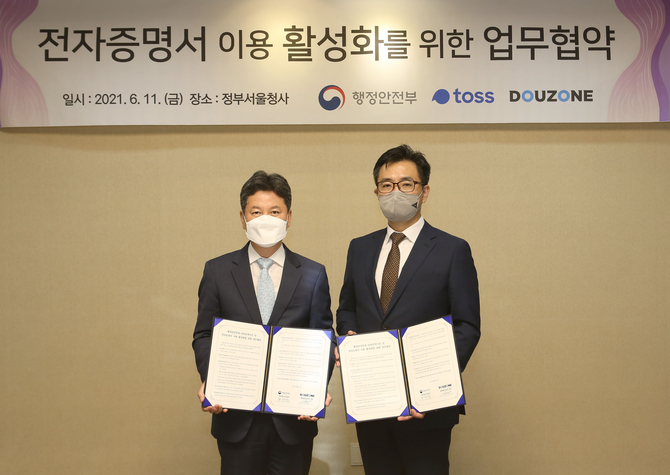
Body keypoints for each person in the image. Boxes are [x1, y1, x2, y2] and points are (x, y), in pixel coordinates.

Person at [336, 144, 481, 475]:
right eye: (386, 185)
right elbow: (347, 309)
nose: (395, 192)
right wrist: (349, 336)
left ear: (424, 191)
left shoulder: (452, 250)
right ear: (376, 192)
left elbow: (467, 326)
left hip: (427, 407)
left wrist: (429, 388)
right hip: (372, 402)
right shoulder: (359, 248)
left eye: (406, 184)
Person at [193, 171, 334, 475]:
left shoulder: (313, 274)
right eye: (256, 212)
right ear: (243, 218)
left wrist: (316, 388)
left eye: (274, 211)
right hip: (236, 417)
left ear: (289, 217)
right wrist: (212, 380)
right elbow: (204, 334)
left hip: (294, 421)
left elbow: (323, 338)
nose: (265, 219)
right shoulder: (217, 271)